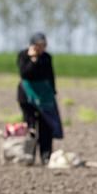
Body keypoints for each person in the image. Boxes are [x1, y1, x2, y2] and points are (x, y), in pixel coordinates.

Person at [17, 32, 63, 165]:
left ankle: (46, 155)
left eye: (44, 45)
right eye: (39, 45)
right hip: (27, 98)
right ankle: (28, 156)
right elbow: (25, 73)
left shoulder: (47, 58)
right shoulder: (23, 56)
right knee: (30, 126)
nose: (41, 48)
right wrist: (33, 59)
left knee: (46, 127)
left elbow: (49, 76)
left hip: (45, 98)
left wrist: (52, 93)